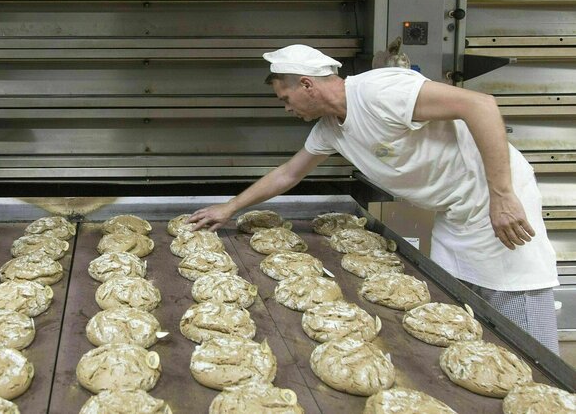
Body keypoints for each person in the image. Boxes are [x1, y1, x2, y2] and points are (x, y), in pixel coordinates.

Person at [189, 44, 560, 353]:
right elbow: (289, 173)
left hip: (494, 198)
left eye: (286, 98)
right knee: (457, 314)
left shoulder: (380, 91)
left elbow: (480, 105)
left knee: (518, 304)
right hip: (452, 213)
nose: (287, 108)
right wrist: (230, 208)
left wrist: (503, 194)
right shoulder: (331, 129)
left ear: (306, 85)